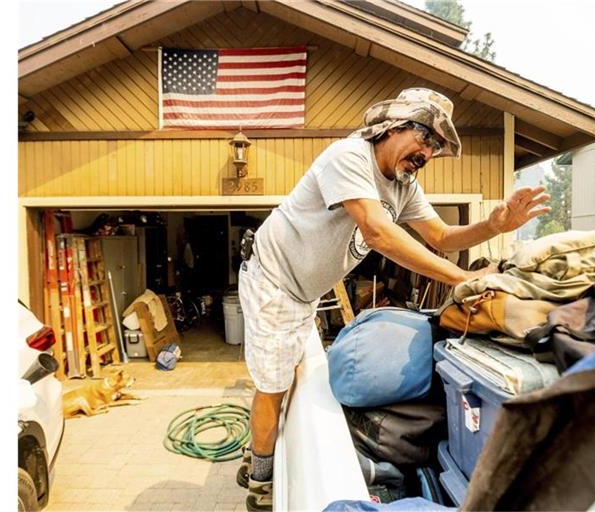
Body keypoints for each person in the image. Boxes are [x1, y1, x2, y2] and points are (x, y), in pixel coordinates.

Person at [236, 87, 550, 511]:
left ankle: (263, 445)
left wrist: (494, 225)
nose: (429, 153)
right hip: (273, 281)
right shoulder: (349, 156)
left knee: (289, 376)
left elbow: (441, 236)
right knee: (272, 385)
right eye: (427, 139)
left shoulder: (404, 184)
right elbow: (378, 233)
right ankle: (259, 478)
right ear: (395, 126)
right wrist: (463, 279)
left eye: (437, 147)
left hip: (303, 291)